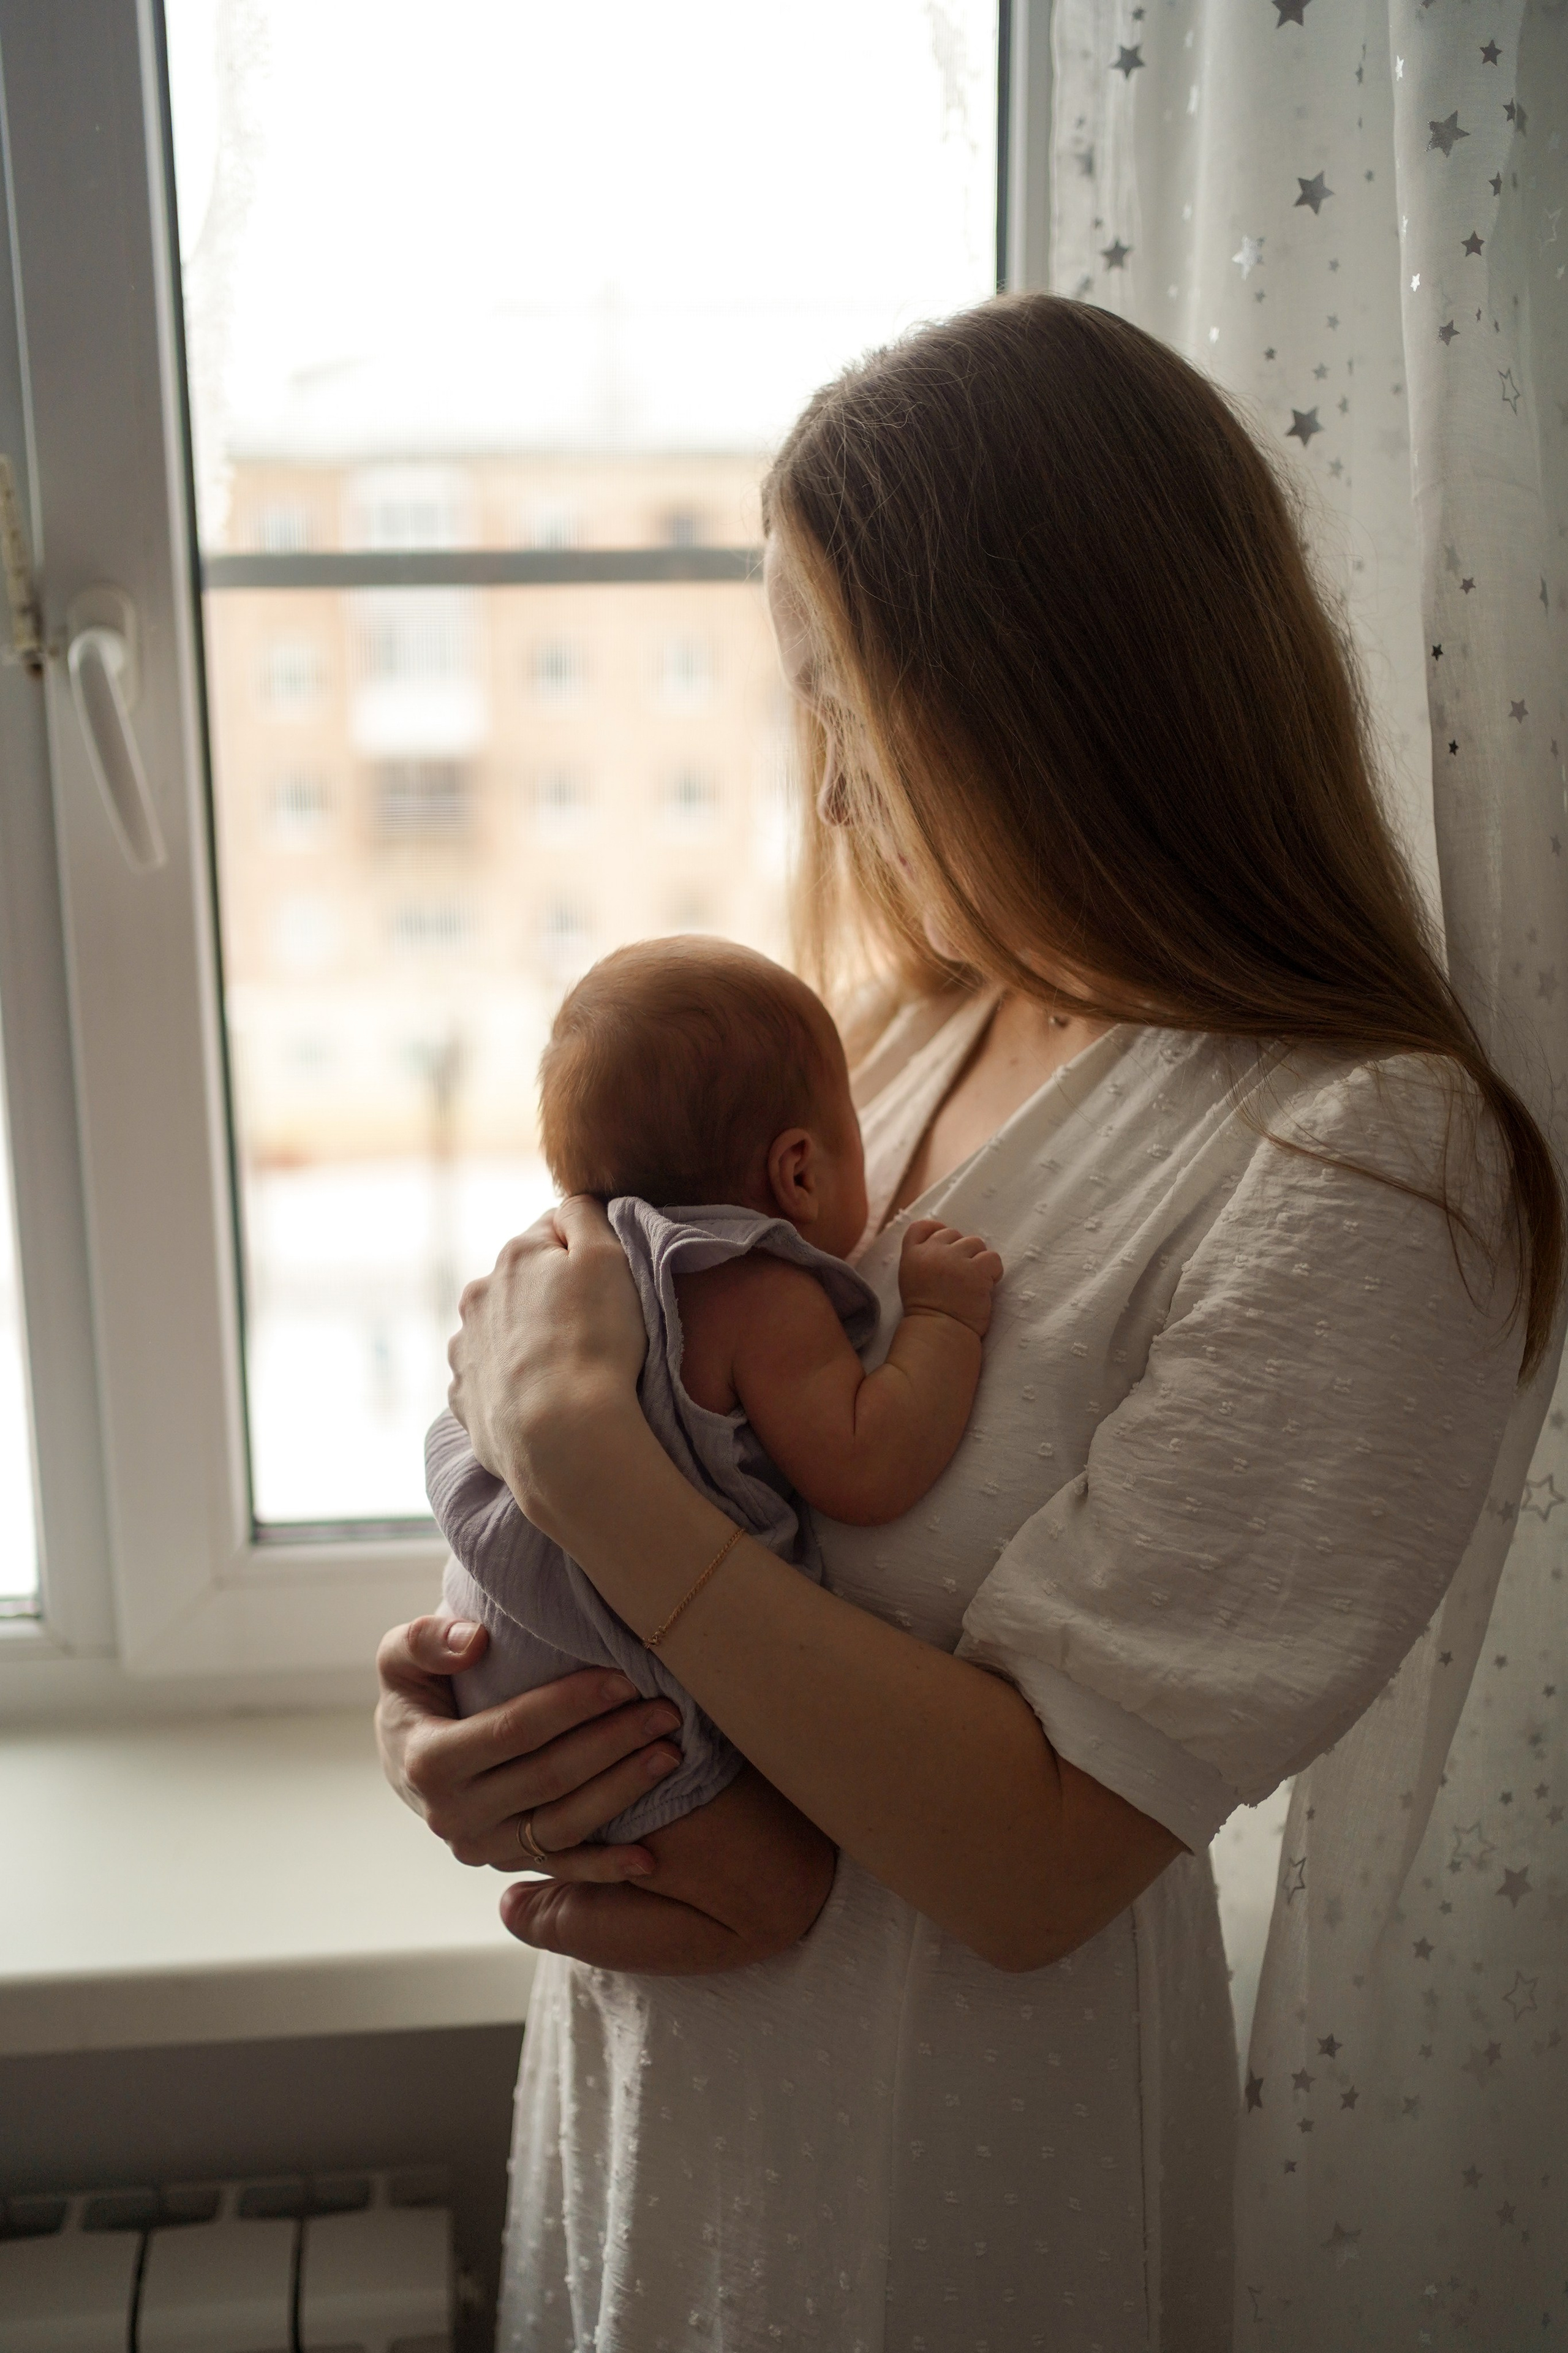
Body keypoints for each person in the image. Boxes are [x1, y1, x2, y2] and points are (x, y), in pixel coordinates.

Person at [375, 294, 1562, 2350]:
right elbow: (634, 1418)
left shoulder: (1370, 1167)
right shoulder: (902, 1041)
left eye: (854, 709)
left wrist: (578, 1460)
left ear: (1051, 695)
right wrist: (457, 1708)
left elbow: (1034, 1861)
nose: (828, 800)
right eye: (803, 713)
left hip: (940, 2177)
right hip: (659, 2102)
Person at [427, 934, 1003, 1971]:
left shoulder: (572, 1268)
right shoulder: (754, 1289)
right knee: (775, 1898)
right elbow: (869, 1467)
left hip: (494, 1654)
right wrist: (945, 1324)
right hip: (610, 1691)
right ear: (799, 1168)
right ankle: (550, 1918)